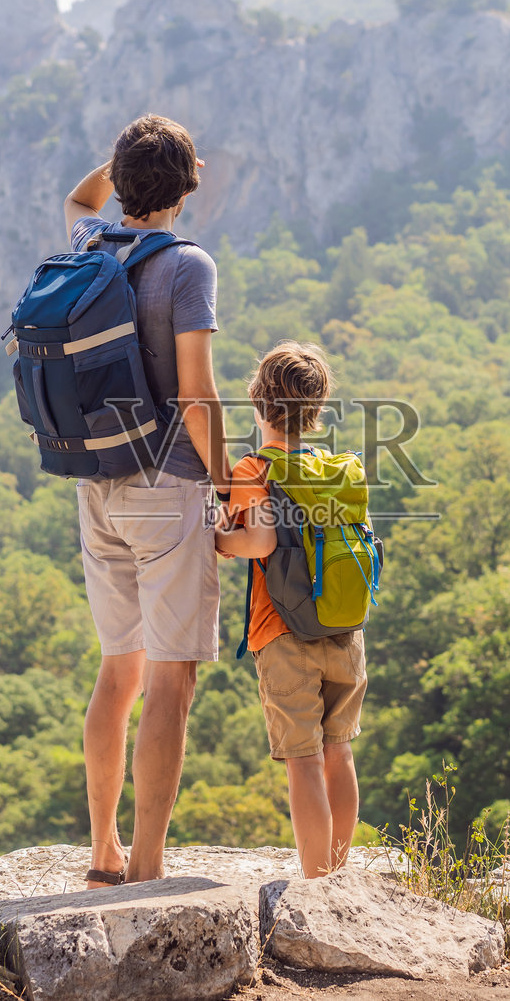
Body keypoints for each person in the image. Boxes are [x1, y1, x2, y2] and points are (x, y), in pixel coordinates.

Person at [64, 115, 231, 888]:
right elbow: (197, 392)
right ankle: (150, 867)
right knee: (170, 680)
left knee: (116, 670)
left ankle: (102, 850)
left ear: (127, 182)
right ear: (190, 184)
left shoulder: (89, 246)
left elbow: (79, 194)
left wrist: (129, 166)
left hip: (96, 484)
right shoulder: (188, 266)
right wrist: (225, 478)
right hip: (168, 485)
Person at [215, 341, 367, 878]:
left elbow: (256, 543)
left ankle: (315, 881)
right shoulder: (338, 468)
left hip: (281, 631)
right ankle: (339, 871)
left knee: (302, 760)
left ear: (257, 402)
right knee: (338, 751)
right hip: (345, 629)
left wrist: (218, 538)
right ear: (318, 409)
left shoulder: (255, 468)